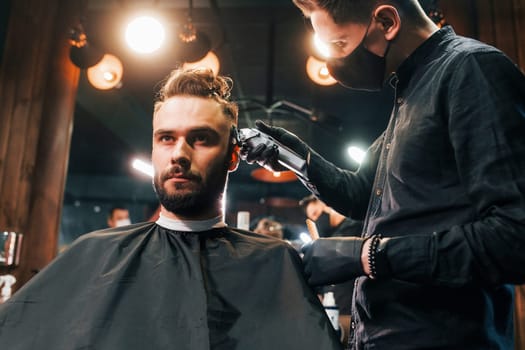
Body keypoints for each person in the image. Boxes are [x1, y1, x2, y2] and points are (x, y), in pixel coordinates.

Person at [240, 0, 525, 349]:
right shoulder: (411, 92)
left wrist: (368, 255)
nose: (335, 61)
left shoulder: (471, 70)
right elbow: (361, 193)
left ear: (387, 21)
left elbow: (515, 237)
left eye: (340, 45)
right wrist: (295, 157)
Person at [0, 69, 343, 349]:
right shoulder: (92, 254)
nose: (179, 153)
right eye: (166, 138)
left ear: (233, 156)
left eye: (201, 138)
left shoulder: (274, 263)